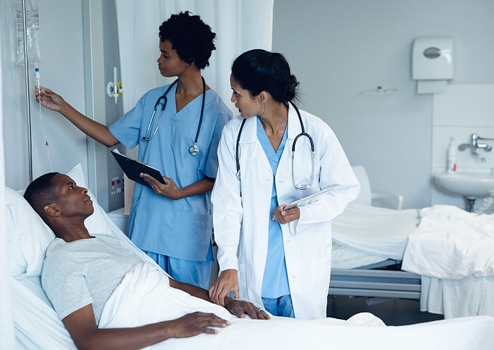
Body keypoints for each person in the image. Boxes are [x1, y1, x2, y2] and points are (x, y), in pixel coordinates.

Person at [35, 11, 231, 289]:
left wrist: (180, 192)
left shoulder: (217, 114)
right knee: (145, 301)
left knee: (188, 306)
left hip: (186, 233)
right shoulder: (154, 101)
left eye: (166, 55)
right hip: (146, 224)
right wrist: (63, 107)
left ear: (187, 60)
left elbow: (217, 178)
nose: (159, 60)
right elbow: (109, 136)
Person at [23, 172, 269, 350]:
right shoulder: (62, 261)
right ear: (53, 210)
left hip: (184, 312)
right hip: (164, 327)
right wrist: (174, 327)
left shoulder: (107, 242)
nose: (83, 190)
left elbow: (172, 286)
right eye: (71, 187)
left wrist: (225, 302)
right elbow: (88, 341)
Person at [208, 49, 360, 319]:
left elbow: (345, 188)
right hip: (255, 267)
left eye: (237, 93)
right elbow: (227, 204)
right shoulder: (234, 133)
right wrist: (228, 264)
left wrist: (304, 212)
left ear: (262, 97)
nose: (232, 100)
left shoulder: (316, 131)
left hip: (302, 264)